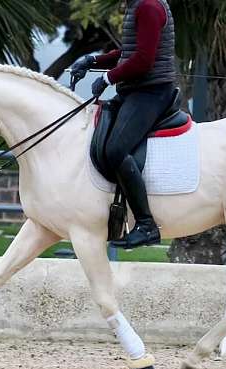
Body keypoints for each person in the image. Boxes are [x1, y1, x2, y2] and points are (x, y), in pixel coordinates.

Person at [71, 0, 176, 249]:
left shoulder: (148, 6)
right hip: (136, 90)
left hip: (151, 93)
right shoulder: (137, 4)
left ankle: (146, 224)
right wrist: (93, 61)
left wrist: (108, 78)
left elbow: (143, 60)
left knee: (116, 149)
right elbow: (130, 52)